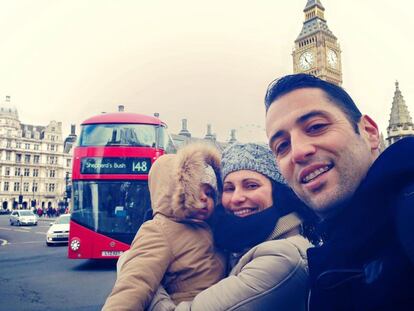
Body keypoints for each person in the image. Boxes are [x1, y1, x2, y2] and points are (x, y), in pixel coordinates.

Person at [264, 73, 414, 310]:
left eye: (316, 127)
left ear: (370, 132)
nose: (298, 151)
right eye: (282, 146)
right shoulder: (336, 248)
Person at [149, 143, 315, 311]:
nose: (236, 198)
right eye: (229, 188)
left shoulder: (283, 257)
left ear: (277, 192)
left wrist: (147, 279)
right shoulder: (238, 245)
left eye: (251, 185)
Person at [102, 143, 226, 311]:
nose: (205, 198)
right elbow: (134, 283)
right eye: (196, 190)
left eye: (211, 194)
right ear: (176, 191)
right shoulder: (159, 230)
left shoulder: (211, 228)